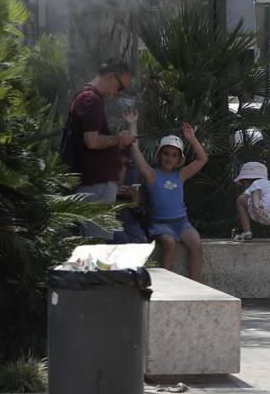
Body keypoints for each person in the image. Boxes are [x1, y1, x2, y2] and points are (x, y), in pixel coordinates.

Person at [127, 122, 209, 280]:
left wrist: (191, 138)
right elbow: (135, 149)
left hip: (182, 223)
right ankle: (166, 287)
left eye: (174, 155)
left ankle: (196, 286)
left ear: (179, 158)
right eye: (166, 153)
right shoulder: (151, 174)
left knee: (196, 244)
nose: (169, 158)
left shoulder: (181, 174)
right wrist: (133, 124)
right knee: (169, 243)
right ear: (159, 155)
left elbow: (202, 159)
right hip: (160, 225)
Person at [67, 61, 136, 238]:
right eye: (119, 87)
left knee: (93, 245)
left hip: (94, 183)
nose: (116, 94)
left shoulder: (87, 97)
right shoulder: (91, 98)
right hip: (97, 184)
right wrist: (119, 138)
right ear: (110, 76)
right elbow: (92, 141)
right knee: (96, 246)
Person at [234, 161, 270, 241]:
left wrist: (256, 206)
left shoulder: (256, 183)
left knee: (240, 199)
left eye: (243, 183)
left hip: (264, 208)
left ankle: (247, 233)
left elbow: (256, 193)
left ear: (246, 181)